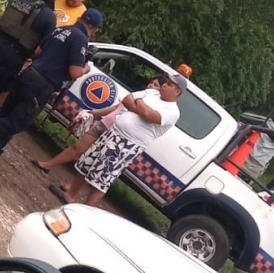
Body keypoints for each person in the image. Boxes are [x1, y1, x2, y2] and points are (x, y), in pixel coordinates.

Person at [0, 8, 104, 172]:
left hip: (30, 73)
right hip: (43, 83)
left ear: (81, 17)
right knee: (15, 123)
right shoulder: (80, 38)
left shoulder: (62, 29)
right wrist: (86, 69)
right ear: (94, 29)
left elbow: (38, 52)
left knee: (6, 114)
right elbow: (75, 72)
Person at [50, 74, 186, 207]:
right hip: (113, 132)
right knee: (87, 162)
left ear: (177, 91)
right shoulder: (152, 93)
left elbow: (149, 115)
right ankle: (69, 196)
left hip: (127, 144)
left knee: (101, 178)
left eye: (169, 84)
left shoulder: (173, 111)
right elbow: (127, 99)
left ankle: (85, 211)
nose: (164, 85)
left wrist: (139, 101)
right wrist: (140, 107)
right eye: (166, 81)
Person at [32, 75, 169, 175]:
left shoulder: (150, 106)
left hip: (116, 134)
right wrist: (95, 113)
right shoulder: (137, 96)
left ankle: (70, 188)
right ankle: (48, 165)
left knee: (94, 161)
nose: (151, 86)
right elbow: (116, 107)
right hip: (105, 123)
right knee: (78, 147)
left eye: (156, 85)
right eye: (151, 83)